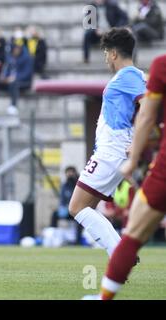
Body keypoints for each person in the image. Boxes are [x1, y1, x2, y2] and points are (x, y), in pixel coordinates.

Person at [83, 54, 166, 300]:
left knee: (133, 235)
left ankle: (104, 297)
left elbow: (147, 116)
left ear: (112, 53)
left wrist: (134, 156)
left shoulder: (160, 66)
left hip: (158, 164)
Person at [68, 27, 146, 259]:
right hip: (113, 151)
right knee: (86, 208)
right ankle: (123, 254)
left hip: (112, 151)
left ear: (113, 53)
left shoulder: (129, 76)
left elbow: (150, 106)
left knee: (76, 207)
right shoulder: (134, 76)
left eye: (105, 53)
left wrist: (137, 142)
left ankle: (121, 255)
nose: (105, 59)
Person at [0, 43, 33, 116]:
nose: (16, 51)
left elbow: (27, 74)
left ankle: (13, 106)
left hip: (22, 82)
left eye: (18, 49)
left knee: (13, 83)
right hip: (9, 82)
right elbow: (6, 72)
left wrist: (14, 78)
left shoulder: (27, 58)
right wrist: (4, 78)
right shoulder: (10, 59)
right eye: (15, 49)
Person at [50, 166, 82, 244]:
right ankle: (53, 238)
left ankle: (77, 241)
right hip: (66, 211)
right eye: (68, 172)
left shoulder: (79, 185)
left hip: (76, 210)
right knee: (54, 214)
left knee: (80, 219)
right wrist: (62, 207)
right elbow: (62, 200)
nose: (70, 174)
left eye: (71, 172)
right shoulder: (64, 186)